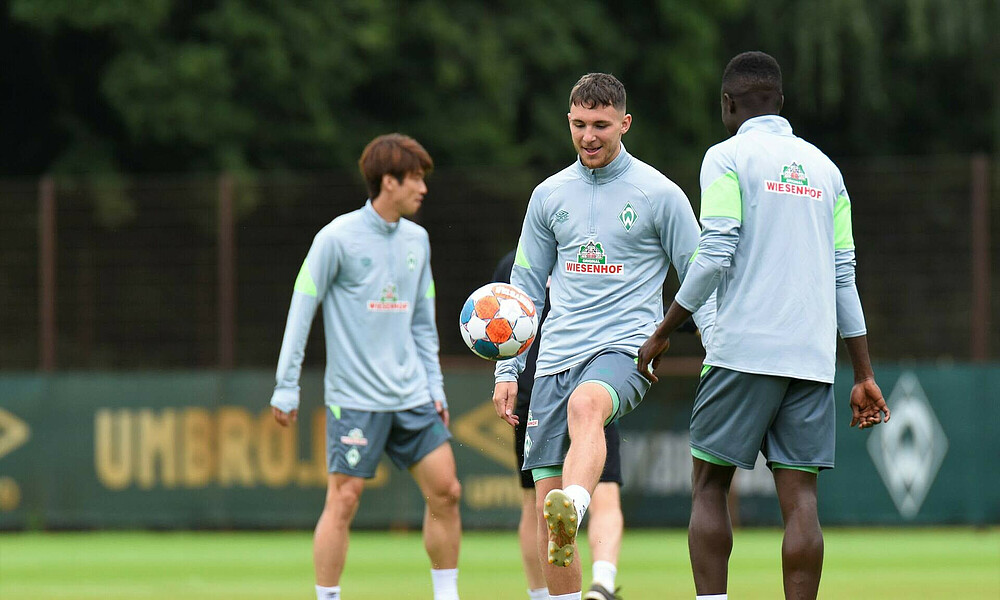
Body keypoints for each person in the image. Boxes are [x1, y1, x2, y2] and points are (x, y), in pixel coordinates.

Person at [636, 51, 891, 600]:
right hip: (811, 358)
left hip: (742, 353)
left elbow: (716, 249)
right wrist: (863, 372)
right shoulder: (826, 170)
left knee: (709, 484)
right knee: (801, 501)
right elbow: (845, 275)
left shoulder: (727, 158)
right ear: (781, 103)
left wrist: (664, 329)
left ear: (727, 105)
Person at [491, 72, 715, 600]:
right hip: (550, 363)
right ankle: (567, 522)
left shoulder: (660, 194)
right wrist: (506, 370)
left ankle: (576, 502)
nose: (588, 136)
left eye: (600, 125)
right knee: (551, 530)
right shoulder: (548, 195)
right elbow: (523, 289)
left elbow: (700, 276)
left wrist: (718, 354)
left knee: (587, 407)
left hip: (626, 352)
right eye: (578, 125)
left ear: (624, 123)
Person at [270, 133, 462, 600]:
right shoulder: (336, 238)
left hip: (413, 395)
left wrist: (436, 389)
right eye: (415, 179)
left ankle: (446, 595)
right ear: (388, 182)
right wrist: (285, 386)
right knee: (344, 499)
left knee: (447, 492)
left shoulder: (419, 240)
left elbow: (422, 323)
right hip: (355, 401)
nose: (423, 189)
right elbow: (302, 307)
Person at [493, 249, 625, 600]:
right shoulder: (595, 254)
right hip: (580, 381)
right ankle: (603, 584)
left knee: (537, 504)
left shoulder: (514, 265)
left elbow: (496, 327)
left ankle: (548, 594)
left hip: (555, 388)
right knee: (601, 494)